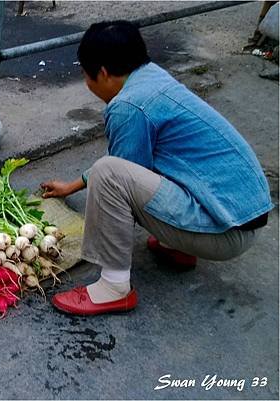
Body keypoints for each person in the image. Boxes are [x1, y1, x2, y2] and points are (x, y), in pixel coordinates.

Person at [40, 20, 273, 316]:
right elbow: (131, 165)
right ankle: (180, 247)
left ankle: (113, 287)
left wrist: (94, 189)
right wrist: (74, 184)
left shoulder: (128, 106)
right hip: (246, 213)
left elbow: (117, 173)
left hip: (225, 232)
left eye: (86, 75)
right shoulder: (152, 78)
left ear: (102, 73)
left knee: (109, 173)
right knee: (143, 161)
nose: (87, 83)